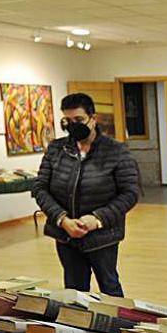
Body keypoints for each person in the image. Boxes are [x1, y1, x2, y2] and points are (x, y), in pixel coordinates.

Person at [33, 93, 139, 297]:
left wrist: (97, 219)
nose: (73, 125)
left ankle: (118, 328)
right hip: (66, 236)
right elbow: (40, 188)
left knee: (109, 287)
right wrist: (62, 219)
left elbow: (130, 193)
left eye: (79, 120)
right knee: (74, 291)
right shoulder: (56, 149)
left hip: (102, 236)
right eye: (68, 121)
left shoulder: (116, 151)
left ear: (93, 118)